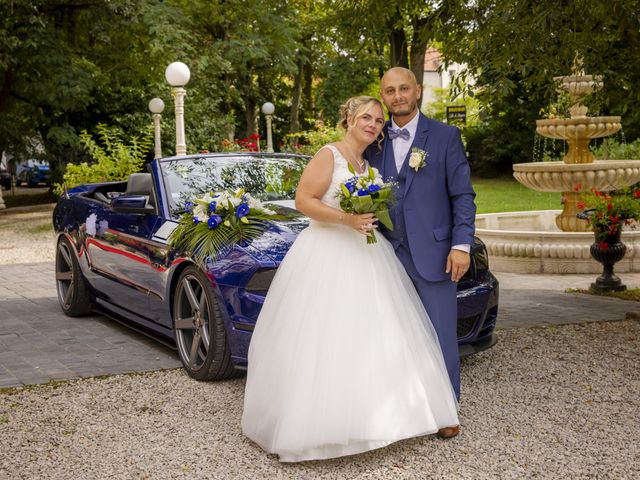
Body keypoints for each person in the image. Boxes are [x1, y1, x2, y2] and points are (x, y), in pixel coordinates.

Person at [241, 95, 459, 462]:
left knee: (375, 335)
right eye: (365, 118)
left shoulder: (367, 162)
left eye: (377, 120)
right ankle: (319, 426)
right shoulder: (330, 155)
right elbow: (303, 200)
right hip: (327, 252)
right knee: (326, 336)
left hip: (368, 254)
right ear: (349, 119)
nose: (373, 124)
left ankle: (379, 419)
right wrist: (347, 219)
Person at [365, 67, 477, 438]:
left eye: (403, 89)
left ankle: (447, 412)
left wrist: (461, 246)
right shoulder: (373, 141)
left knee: (440, 334)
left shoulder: (445, 137)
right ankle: (402, 410)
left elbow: (462, 196)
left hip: (435, 253)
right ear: (383, 96)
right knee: (392, 336)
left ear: (417, 91)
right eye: (389, 91)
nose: (397, 96)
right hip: (384, 254)